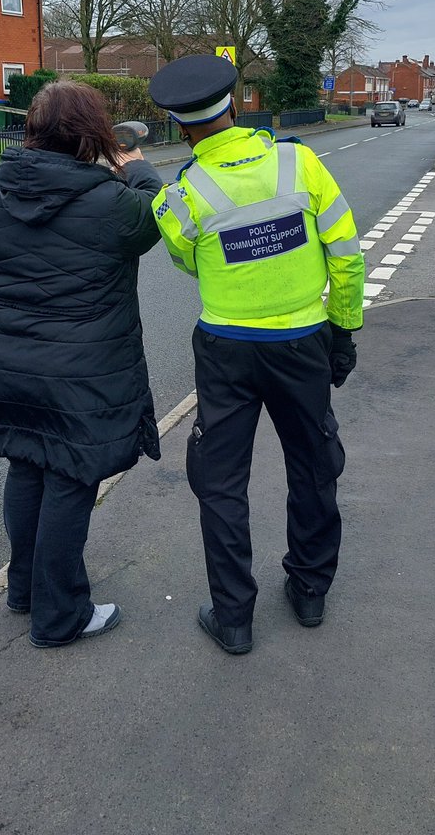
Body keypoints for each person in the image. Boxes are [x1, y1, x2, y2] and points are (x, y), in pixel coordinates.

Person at [149, 54, 365, 655]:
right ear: (236, 104)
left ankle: (233, 618)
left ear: (177, 123)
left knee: (220, 481)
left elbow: (188, 262)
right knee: (315, 462)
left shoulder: (182, 195)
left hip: (227, 351)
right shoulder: (301, 161)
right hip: (304, 343)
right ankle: (310, 590)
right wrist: (343, 332)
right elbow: (345, 252)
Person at [0, 80, 163, 648]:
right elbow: (150, 216)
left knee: (27, 464)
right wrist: (135, 164)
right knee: (72, 477)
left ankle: (25, 590)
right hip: (83, 368)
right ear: (91, 132)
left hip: (12, 358)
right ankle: (61, 616)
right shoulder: (108, 200)